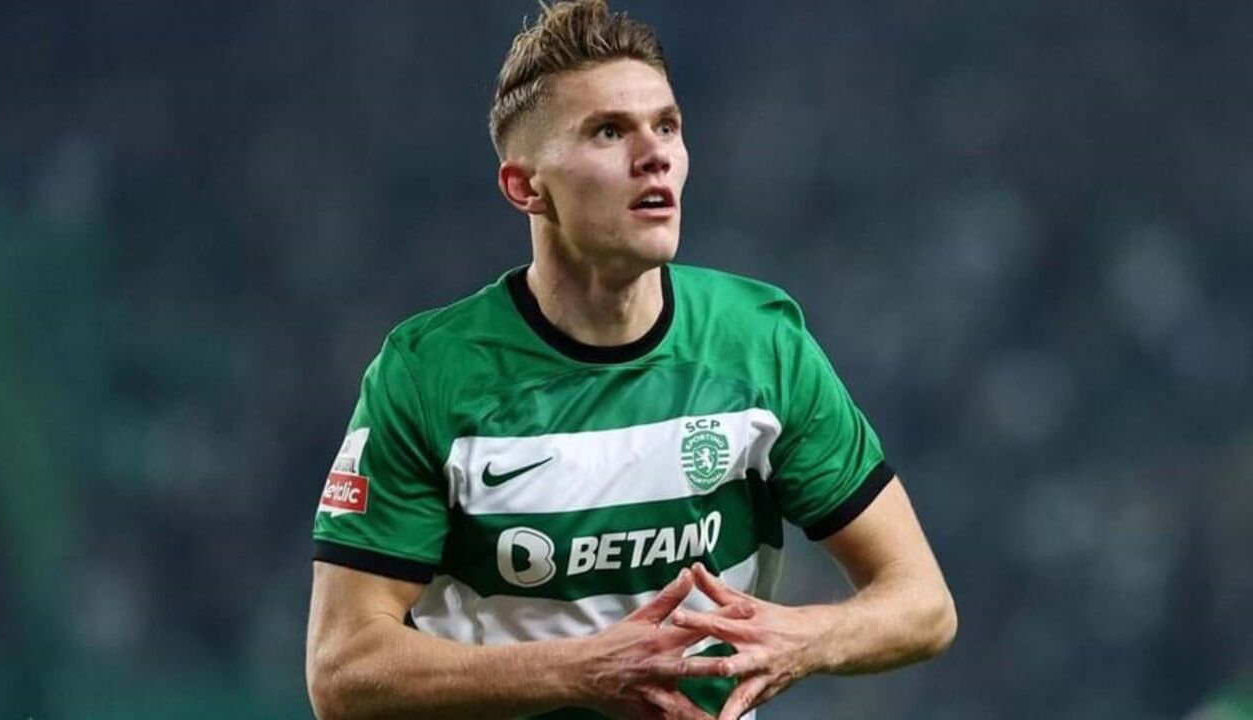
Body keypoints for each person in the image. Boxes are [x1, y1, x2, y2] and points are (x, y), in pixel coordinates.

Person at [305, 2, 956, 718]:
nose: (654, 154)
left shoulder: (760, 346)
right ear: (526, 187)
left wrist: (800, 639)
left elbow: (922, 604)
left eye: (666, 126)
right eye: (608, 131)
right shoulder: (427, 374)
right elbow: (343, 669)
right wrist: (583, 670)